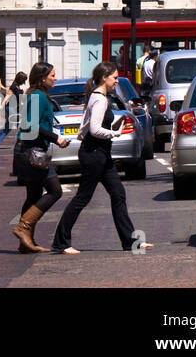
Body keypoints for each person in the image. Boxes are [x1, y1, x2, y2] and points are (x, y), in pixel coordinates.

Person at [52, 63, 154, 254]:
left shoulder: (97, 97)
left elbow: (86, 126)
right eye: (114, 78)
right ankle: (61, 242)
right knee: (83, 197)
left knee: (118, 194)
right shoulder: (99, 99)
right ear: (103, 78)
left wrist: (113, 127)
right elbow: (94, 129)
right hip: (94, 155)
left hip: (100, 154)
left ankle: (131, 242)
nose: (117, 81)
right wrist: (114, 133)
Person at [11, 62, 69, 253]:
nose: (55, 78)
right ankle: (23, 228)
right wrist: (56, 138)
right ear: (42, 78)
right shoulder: (38, 97)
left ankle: (25, 242)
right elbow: (31, 126)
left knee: (33, 195)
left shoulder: (38, 96)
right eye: (52, 75)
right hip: (31, 152)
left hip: (28, 150)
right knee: (55, 191)